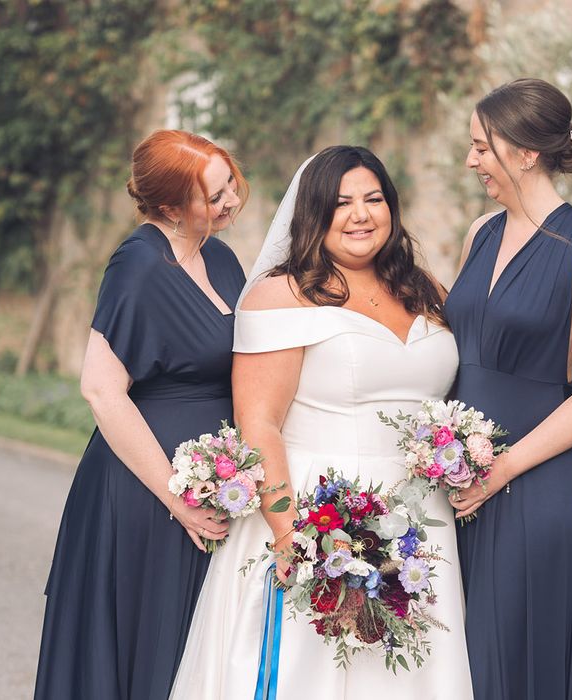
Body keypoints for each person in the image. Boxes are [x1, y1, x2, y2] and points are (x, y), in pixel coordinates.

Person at [170, 146, 473, 699]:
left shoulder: (424, 290)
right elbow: (258, 421)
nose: (361, 214)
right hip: (318, 518)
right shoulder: (281, 295)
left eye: (373, 199)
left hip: (422, 527)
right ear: (313, 215)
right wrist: (292, 538)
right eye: (341, 203)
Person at [34, 130, 248, 699]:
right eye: (213, 195)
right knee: (146, 647)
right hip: (148, 493)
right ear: (171, 207)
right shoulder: (139, 266)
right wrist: (178, 498)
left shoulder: (218, 256)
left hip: (213, 486)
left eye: (229, 183)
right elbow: (101, 390)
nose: (229, 200)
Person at [445, 78, 572, 699]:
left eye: (481, 148)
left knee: (523, 655)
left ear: (526, 153)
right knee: (460, 658)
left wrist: (503, 468)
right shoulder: (480, 233)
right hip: (455, 479)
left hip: (535, 478)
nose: (471, 162)